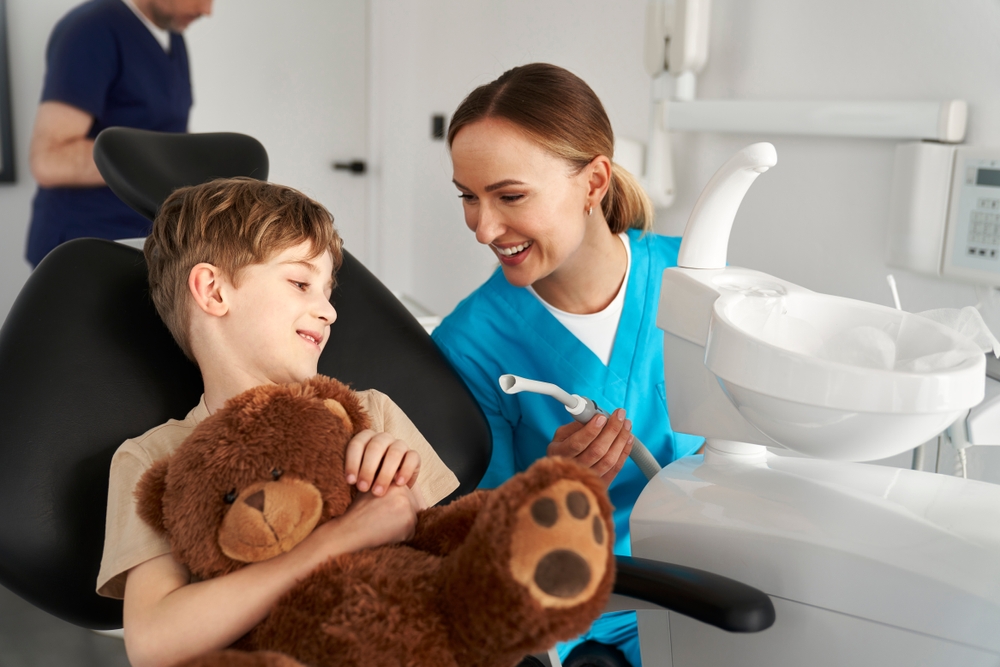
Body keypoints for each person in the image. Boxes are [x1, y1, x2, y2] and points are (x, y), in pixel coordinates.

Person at [96, 177, 460, 667]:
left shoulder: (371, 416)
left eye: (328, 291)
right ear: (213, 291)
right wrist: (342, 538)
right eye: (300, 283)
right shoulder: (151, 460)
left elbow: (449, 570)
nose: (329, 311)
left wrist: (406, 499)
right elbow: (154, 644)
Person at [431, 63, 704, 667]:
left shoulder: (698, 281)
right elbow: (475, 535)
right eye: (468, 198)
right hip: (573, 619)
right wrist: (548, 485)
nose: (483, 228)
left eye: (509, 196)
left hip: (716, 583)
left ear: (594, 182)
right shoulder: (471, 343)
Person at [26, 0, 213, 268]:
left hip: (149, 243)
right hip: (87, 247)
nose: (207, 11)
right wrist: (161, 161)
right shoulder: (91, 30)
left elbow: (166, 133)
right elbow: (50, 158)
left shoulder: (172, 36)